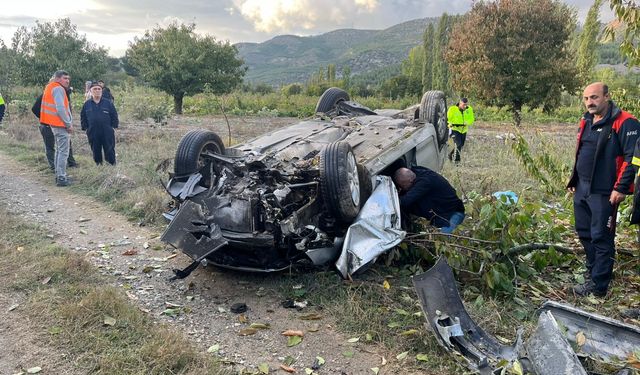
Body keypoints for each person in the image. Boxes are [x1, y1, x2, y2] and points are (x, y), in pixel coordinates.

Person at [567, 82, 640, 297]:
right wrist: (575, 180)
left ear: (607, 97)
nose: (590, 102)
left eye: (595, 97)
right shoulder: (586, 119)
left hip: (605, 191)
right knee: (584, 232)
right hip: (582, 187)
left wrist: (620, 188)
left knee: (601, 236)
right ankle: (594, 272)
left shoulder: (626, 122)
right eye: (586, 98)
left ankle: (599, 286)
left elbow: (633, 158)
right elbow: (582, 151)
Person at [393, 166, 465, 233]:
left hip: (453, 214)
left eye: (402, 186)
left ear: (410, 181)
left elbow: (404, 201)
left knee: (444, 239)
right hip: (440, 214)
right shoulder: (416, 172)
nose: (401, 189)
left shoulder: (425, 182)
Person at [40, 70, 73, 186]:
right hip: (60, 124)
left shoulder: (49, 87)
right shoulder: (58, 89)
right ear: (58, 78)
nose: (67, 81)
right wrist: (68, 124)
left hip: (54, 124)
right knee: (63, 152)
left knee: (59, 151)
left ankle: (59, 175)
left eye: (68, 78)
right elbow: (60, 109)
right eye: (65, 78)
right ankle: (61, 178)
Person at [32, 87, 77, 171]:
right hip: (47, 125)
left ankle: (71, 163)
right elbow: (34, 109)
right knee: (50, 146)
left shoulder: (64, 94)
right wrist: (45, 118)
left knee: (66, 145)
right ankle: (54, 167)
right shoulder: (46, 95)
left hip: (61, 125)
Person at [81, 81, 119, 165]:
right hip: (93, 131)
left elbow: (114, 115)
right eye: (95, 89)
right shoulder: (87, 104)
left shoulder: (108, 103)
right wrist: (86, 128)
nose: (97, 90)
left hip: (107, 131)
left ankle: (111, 165)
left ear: (102, 91)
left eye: (99, 89)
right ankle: (98, 165)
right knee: (95, 149)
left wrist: (114, 127)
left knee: (109, 148)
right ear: (91, 91)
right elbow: (83, 117)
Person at [446, 97, 475, 163]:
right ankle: (457, 161)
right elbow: (448, 119)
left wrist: (467, 122)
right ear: (460, 103)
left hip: (464, 130)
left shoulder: (469, 109)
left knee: (460, 145)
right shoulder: (452, 109)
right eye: (463, 105)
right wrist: (449, 124)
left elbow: (472, 118)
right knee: (458, 144)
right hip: (455, 129)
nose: (465, 106)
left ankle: (450, 155)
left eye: (466, 105)